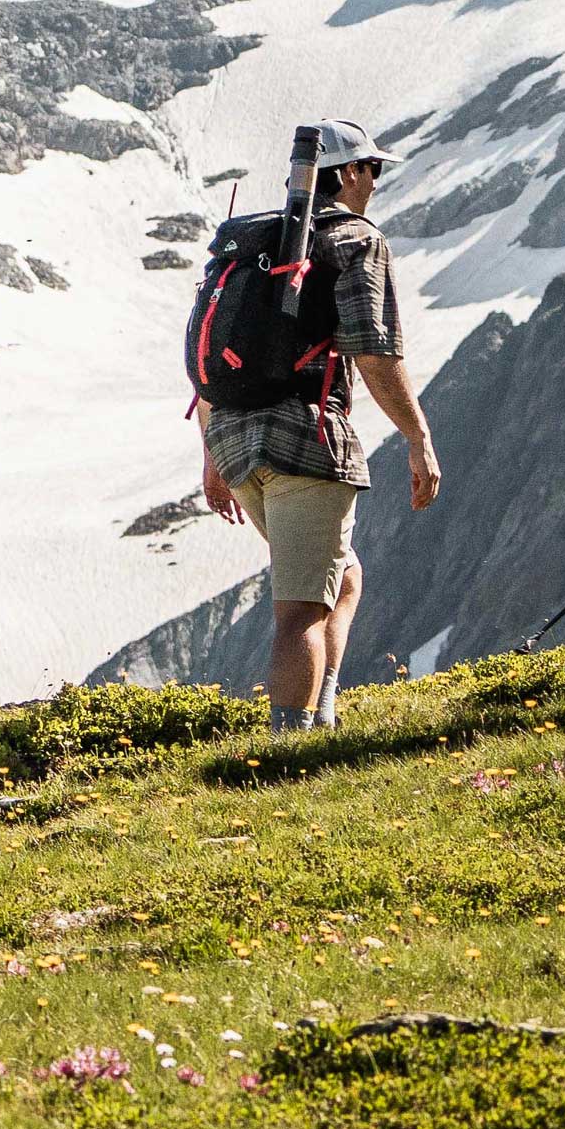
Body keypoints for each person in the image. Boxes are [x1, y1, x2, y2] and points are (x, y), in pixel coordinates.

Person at [195, 125, 443, 734]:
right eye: (372, 169)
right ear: (350, 172)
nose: (376, 182)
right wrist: (418, 438)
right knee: (301, 610)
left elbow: (211, 357)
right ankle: (288, 748)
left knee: (342, 576)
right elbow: (374, 352)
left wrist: (212, 457)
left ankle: (319, 717)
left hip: (233, 441)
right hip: (306, 441)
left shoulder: (248, 245)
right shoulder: (356, 240)